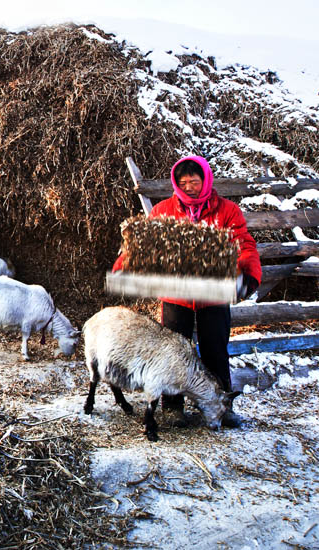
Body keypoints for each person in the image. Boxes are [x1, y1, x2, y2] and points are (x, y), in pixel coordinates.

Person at [113, 155, 261, 428]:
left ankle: (221, 405)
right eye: (184, 183)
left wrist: (248, 273)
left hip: (213, 295)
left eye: (194, 181)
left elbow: (243, 243)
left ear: (205, 180)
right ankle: (173, 407)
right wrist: (124, 267)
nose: (190, 187)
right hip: (176, 295)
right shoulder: (163, 210)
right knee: (173, 353)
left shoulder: (227, 211)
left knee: (215, 350)